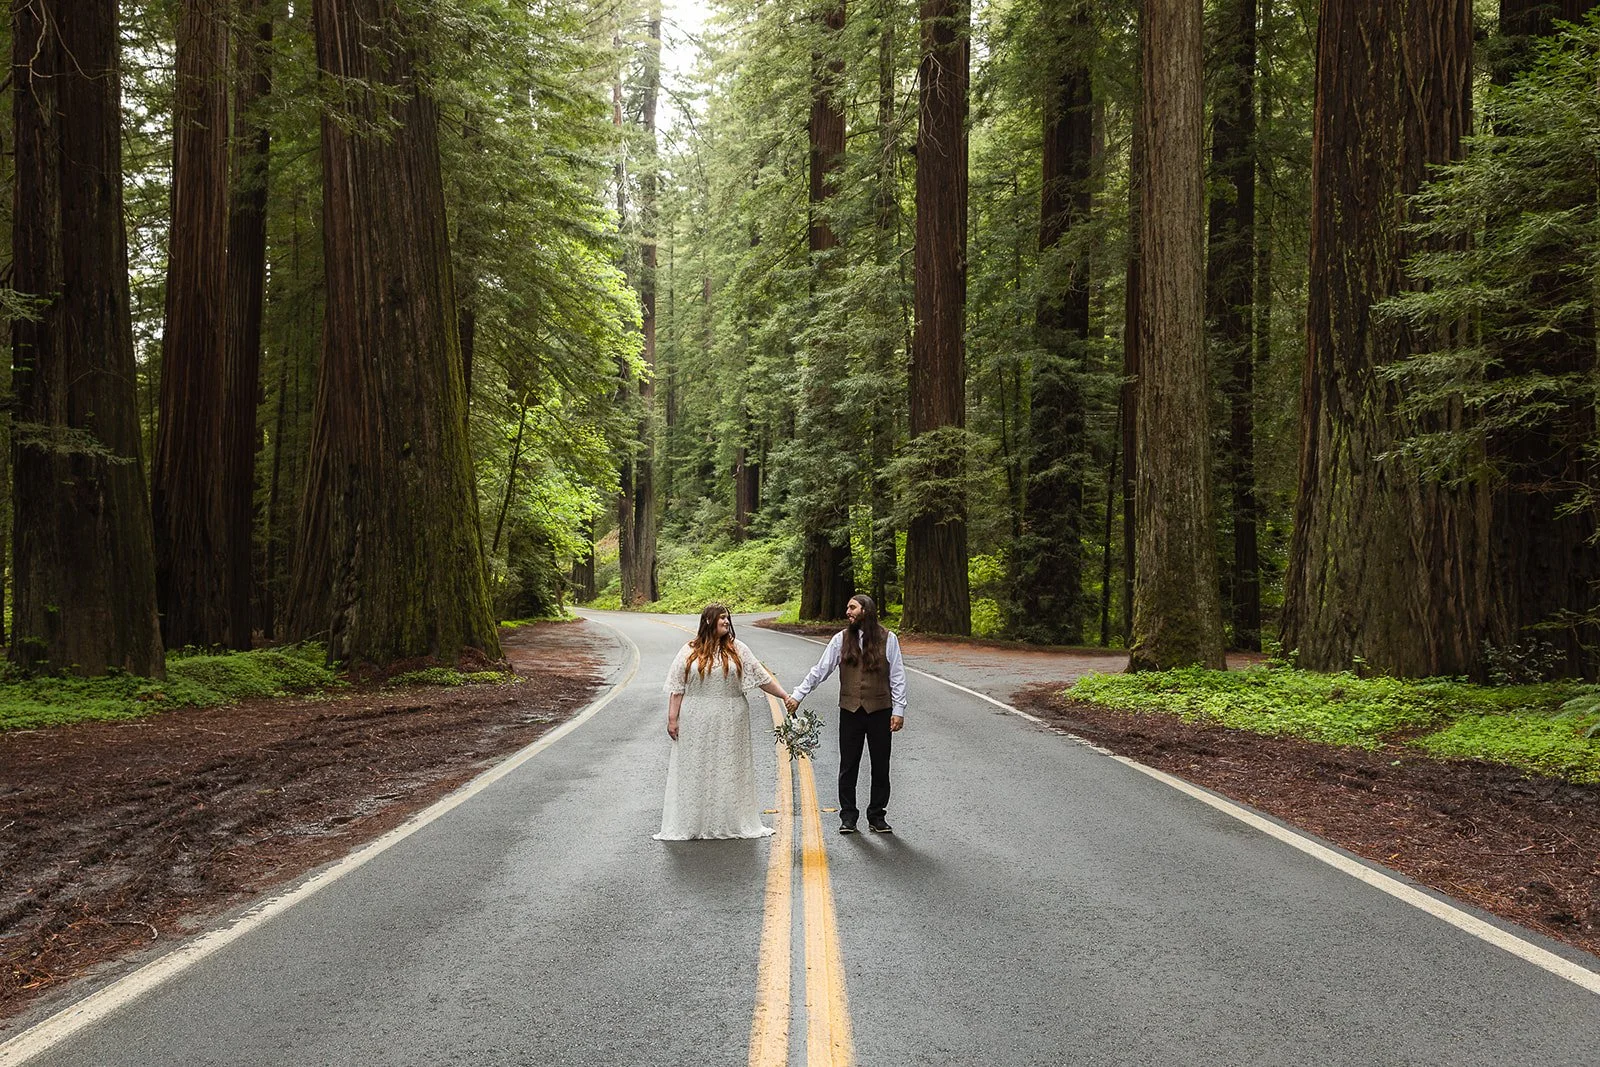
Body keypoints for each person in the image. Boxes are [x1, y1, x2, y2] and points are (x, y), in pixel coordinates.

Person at [655, 603, 793, 841]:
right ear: (708, 621)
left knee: (729, 767)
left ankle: (730, 819)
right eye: (722, 619)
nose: (727, 623)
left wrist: (784, 696)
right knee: (697, 766)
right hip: (696, 715)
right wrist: (672, 719)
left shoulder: (738, 649)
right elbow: (677, 687)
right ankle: (695, 822)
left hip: (731, 714)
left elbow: (761, 677)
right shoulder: (689, 650)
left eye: (728, 619)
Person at [785, 594, 906, 834]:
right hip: (850, 711)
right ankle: (848, 817)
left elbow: (898, 676)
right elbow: (820, 670)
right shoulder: (840, 639)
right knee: (848, 765)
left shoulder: (888, 639)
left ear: (866, 610)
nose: (847, 612)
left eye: (852, 607)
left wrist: (899, 709)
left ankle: (877, 816)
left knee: (880, 765)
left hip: (880, 710)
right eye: (847, 608)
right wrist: (798, 695)